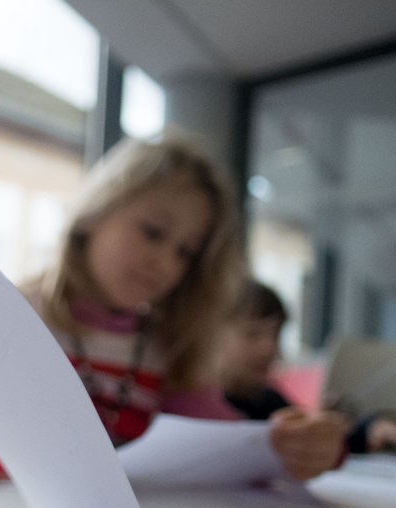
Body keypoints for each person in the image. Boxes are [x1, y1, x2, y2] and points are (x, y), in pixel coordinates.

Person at [19, 133, 345, 482]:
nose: (165, 262)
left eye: (185, 252)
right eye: (153, 232)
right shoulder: (19, 314)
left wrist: (308, 446)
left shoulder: (168, 347)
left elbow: (226, 444)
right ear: (94, 212)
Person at [220, 278, 396, 454]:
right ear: (208, 336)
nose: (270, 348)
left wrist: (365, 431)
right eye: (253, 334)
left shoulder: (267, 401)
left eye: (276, 336)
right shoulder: (202, 407)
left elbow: (310, 442)